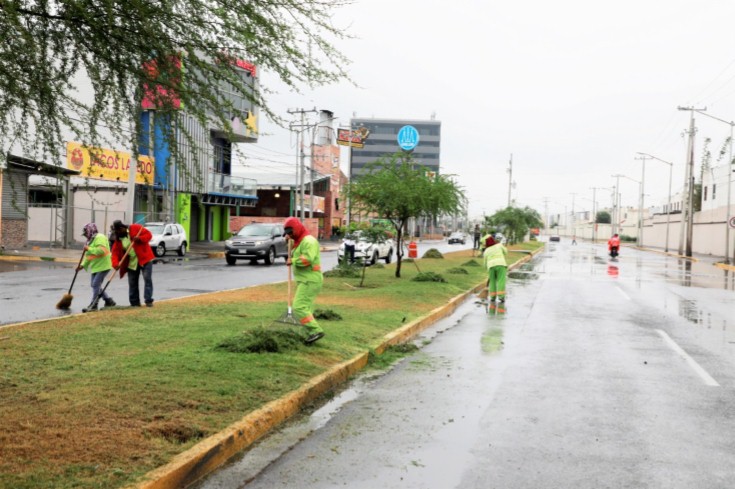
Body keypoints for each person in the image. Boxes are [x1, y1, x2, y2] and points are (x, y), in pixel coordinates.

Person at [284, 217, 325, 344]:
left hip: (310, 280)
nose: (290, 235)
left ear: (297, 229)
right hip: (305, 279)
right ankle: (310, 333)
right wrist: (288, 242)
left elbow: (308, 259)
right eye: (288, 233)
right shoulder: (299, 240)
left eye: (291, 232)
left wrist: (293, 261)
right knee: (306, 308)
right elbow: (296, 251)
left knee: (299, 306)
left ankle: (315, 330)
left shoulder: (309, 241)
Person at [111, 220, 155, 307]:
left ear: (122, 228)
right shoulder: (118, 240)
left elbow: (149, 235)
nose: (117, 233)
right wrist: (115, 264)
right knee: (132, 282)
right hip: (132, 262)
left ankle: (148, 300)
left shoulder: (136, 228)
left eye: (118, 231)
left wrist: (140, 239)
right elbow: (114, 254)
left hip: (145, 258)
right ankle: (134, 303)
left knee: (147, 279)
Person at [79, 223, 116, 311]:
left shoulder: (100, 237)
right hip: (96, 266)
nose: (85, 236)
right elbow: (88, 256)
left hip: (104, 265)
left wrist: (89, 249)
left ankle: (94, 305)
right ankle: (108, 300)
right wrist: (82, 265)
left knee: (95, 284)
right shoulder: (90, 240)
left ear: (90, 231)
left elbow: (101, 251)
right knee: (95, 285)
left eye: (85, 233)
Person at [483, 234, 508, 304]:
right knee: (501, 281)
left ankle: (492, 297)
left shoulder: (486, 250)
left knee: (492, 282)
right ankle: (501, 297)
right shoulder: (499, 245)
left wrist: (487, 269)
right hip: (501, 265)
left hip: (490, 266)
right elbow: (506, 252)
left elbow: (485, 262)